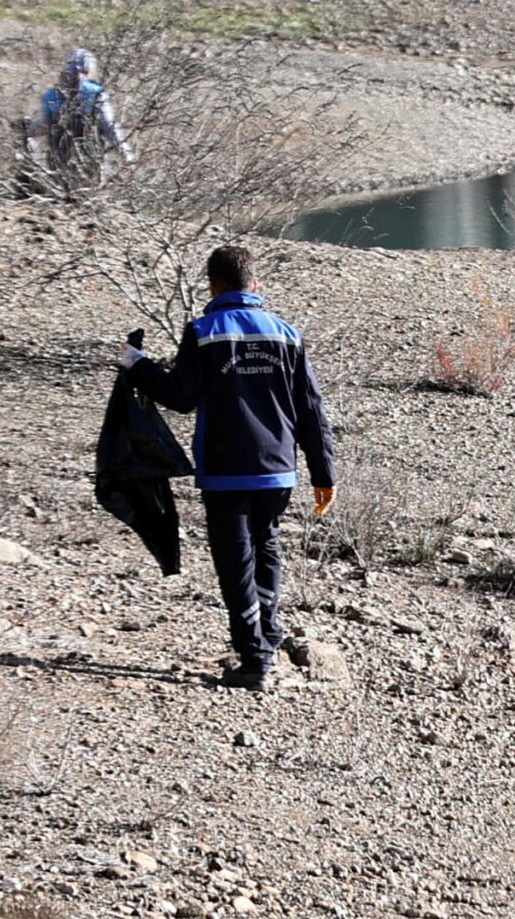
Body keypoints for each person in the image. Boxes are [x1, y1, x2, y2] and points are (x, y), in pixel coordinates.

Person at [121, 245, 335, 691]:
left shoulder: (202, 331)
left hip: (224, 469)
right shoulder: (287, 335)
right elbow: (311, 410)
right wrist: (323, 474)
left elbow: (181, 396)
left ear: (212, 285)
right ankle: (267, 639)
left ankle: (255, 660)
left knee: (236, 559)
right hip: (278, 470)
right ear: (255, 286)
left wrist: (136, 365)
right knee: (267, 546)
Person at [22, 47, 133, 189]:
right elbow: (111, 129)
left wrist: (26, 130)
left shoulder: (52, 96)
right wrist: (127, 156)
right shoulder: (96, 95)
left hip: (59, 174)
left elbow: (43, 126)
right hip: (90, 173)